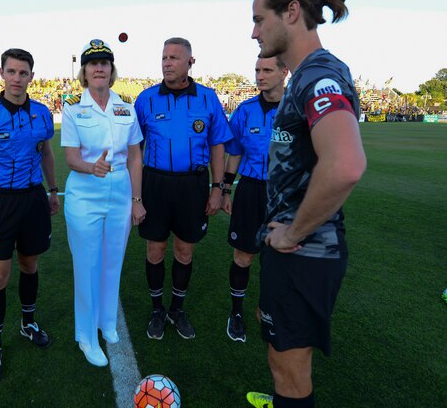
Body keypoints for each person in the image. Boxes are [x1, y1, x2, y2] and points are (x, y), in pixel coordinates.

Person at [246, 0, 367, 408]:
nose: (254, 31)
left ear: (292, 12)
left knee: (291, 372)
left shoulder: (318, 74)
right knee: (282, 360)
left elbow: (346, 164)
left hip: (304, 252)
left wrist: (293, 233)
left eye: (260, 19)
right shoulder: (305, 75)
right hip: (295, 252)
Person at [134, 37, 232, 340]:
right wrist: (136, 196)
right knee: (155, 249)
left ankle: (176, 308)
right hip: (155, 183)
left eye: (174, 57)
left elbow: (217, 143)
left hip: (193, 185)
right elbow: (134, 150)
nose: (167, 63)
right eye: (164, 57)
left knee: (184, 250)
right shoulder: (146, 99)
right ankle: (156, 309)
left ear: (190, 62)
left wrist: (218, 188)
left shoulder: (207, 98)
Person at [0, 48, 59, 383]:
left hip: (34, 198)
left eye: (23, 73)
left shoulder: (41, 113)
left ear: (31, 77)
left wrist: (53, 190)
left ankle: (27, 323)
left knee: (30, 265)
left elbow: (47, 152)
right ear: (1, 73)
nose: (17, 78)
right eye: (11, 71)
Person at [61, 39, 145, 367]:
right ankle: (85, 333)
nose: (99, 67)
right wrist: (90, 166)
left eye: (105, 63)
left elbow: (136, 155)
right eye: (93, 63)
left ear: (112, 71)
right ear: (84, 71)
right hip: (85, 193)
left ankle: (107, 322)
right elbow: (70, 156)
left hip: (121, 190)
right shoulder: (72, 107)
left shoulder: (125, 107)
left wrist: (137, 199)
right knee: (88, 265)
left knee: (113, 261)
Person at [222, 56, 288, 343]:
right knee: (243, 255)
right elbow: (234, 150)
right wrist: (225, 188)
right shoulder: (245, 111)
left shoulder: (298, 110)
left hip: (284, 193)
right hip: (249, 190)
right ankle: (236, 314)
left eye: (267, 70)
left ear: (284, 72)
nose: (260, 76)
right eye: (257, 70)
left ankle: (272, 312)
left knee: (280, 259)